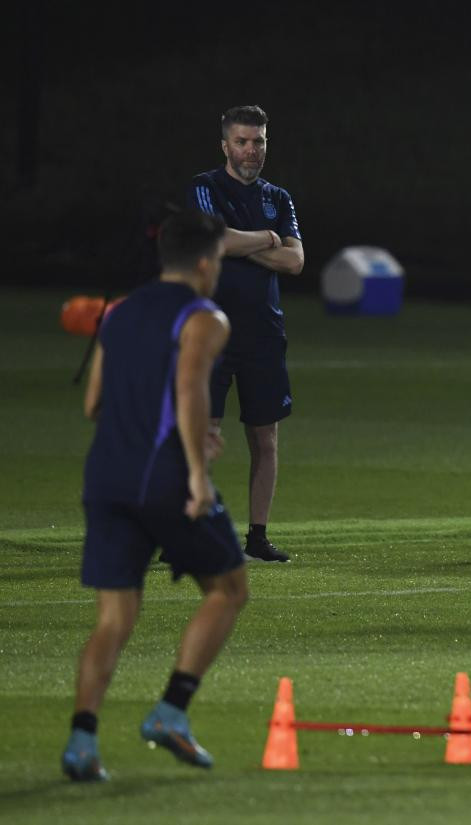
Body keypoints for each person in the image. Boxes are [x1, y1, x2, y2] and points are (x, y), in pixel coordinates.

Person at [61, 210, 249, 781]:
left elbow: (94, 404)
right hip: (163, 478)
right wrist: (197, 472)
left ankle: (82, 743)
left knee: (114, 618)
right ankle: (171, 711)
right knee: (228, 587)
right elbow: (189, 388)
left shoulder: (117, 312)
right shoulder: (205, 317)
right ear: (202, 262)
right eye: (217, 260)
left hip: (106, 478)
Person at [190, 105, 304, 563]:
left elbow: (296, 262)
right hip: (211, 331)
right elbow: (211, 241)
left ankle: (257, 538)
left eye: (258, 141)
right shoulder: (204, 187)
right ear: (225, 145)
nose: (251, 150)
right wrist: (268, 239)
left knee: (265, 438)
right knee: (204, 434)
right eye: (242, 141)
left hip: (263, 333)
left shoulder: (279, 198)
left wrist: (243, 242)